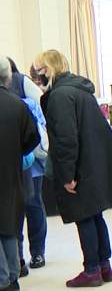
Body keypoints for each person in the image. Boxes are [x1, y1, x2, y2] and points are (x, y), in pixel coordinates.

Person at [33, 49, 112, 288]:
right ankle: (104, 265)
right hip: (92, 163)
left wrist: (67, 175)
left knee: (84, 216)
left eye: (39, 70)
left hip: (80, 167)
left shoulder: (60, 96)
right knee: (95, 215)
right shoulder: (79, 90)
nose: (36, 76)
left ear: (49, 69)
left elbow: (65, 139)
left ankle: (92, 269)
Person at [0, 58, 40, 291]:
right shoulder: (17, 105)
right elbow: (32, 139)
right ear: (7, 77)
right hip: (12, 172)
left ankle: (3, 281)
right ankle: (13, 277)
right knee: (10, 224)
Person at [8, 58, 48, 274]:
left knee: (33, 204)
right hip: (11, 160)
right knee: (13, 208)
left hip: (29, 157)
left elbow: (41, 107)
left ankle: (37, 252)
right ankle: (18, 257)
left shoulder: (22, 82)